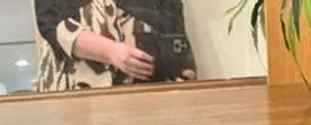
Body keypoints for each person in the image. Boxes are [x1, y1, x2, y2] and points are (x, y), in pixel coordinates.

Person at [34, 0, 196, 92]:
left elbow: (174, 29)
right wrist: (112, 52)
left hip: (150, 95)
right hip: (82, 92)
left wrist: (181, 69)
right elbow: (52, 25)